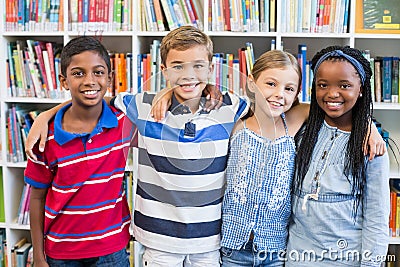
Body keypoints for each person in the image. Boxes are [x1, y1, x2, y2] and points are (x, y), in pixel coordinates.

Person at [25, 26, 250, 267]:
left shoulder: (230, 106)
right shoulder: (143, 108)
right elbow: (94, 97)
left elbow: (273, 107)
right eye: (178, 66)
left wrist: (207, 89)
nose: (188, 74)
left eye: (197, 65)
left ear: (211, 69)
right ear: (163, 71)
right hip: (158, 239)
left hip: (209, 239)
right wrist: (45, 115)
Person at [24, 36, 133, 266]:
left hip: (111, 251)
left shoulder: (124, 123)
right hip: (60, 253)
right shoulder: (46, 137)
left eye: (98, 72)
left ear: (110, 78)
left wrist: (206, 87)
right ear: (63, 81)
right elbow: (36, 197)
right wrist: (39, 256)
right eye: (78, 73)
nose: (89, 81)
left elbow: (168, 104)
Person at [286, 46, 390, 266]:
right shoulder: (302, 131)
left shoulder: (371, 148)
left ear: (361, 89)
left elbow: (376, 221)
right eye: (323, 85)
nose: (332, 94)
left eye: (345, 86)